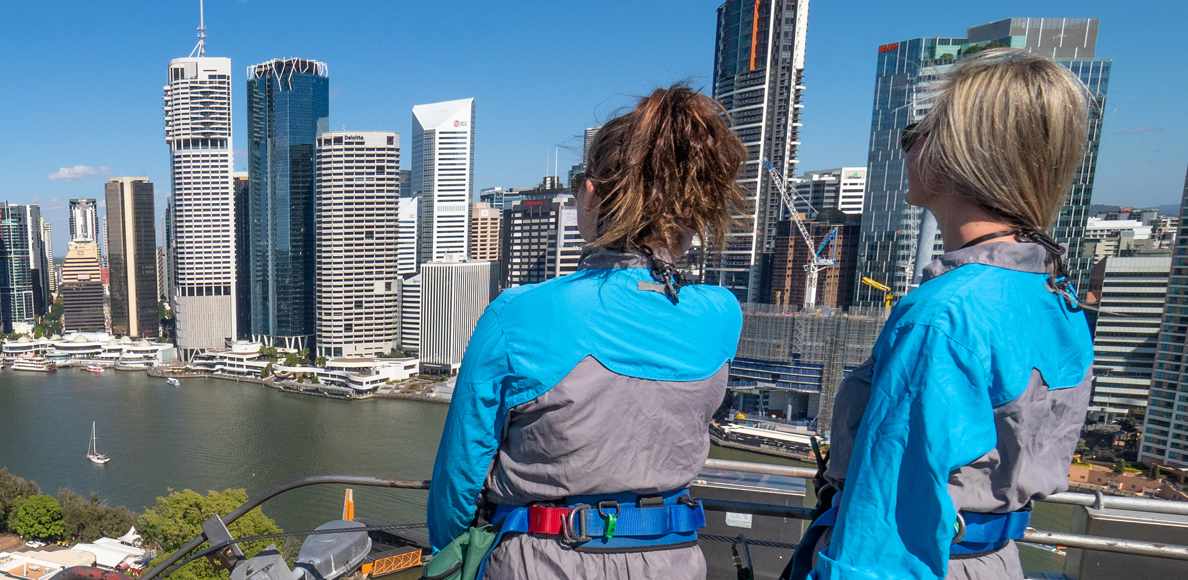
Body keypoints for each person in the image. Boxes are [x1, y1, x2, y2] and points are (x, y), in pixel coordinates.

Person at [427, 84, 746, 579]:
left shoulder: (518, 314)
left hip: (544, 561)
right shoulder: (721, 315)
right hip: (674, 563)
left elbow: (459, 476)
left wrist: (452, 553)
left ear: (590, 194)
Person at [798, 49, 1095, 579]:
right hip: (996, 561)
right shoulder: (1055, 293)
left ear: (960, 154)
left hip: (926, 563)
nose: (905, 149)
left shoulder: (943, 313)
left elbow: (889, 515)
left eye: (917, 133)